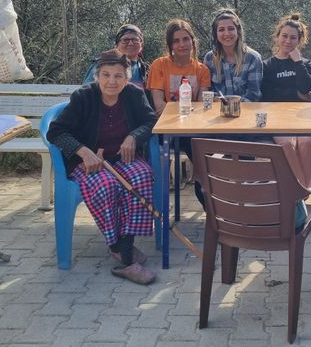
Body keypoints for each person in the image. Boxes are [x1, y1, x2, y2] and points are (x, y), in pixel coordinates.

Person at [47, 49, 159, 284]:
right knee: (106, 185)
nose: (111, 81)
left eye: (118, 76)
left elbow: (150, 121)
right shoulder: (83, 97)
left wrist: (134, 137)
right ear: (97, 77)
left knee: (142, 176)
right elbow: (55, 131)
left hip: (122, 158)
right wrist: (83, 151)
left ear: (126, 79)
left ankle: (125, 246)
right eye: (106, 75)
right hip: (91, 163)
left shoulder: (134, 95)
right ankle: (120, 250)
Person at [262, 13, 311, 186]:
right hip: (278, 119)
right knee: (286, 145)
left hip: (305, 118)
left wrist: (297, 62)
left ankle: (300, 190)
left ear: (299, 41)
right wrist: (295, 94)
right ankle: (300, 189)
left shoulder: (306, 64)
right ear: (277, 36)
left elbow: (307, 88)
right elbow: (268, 95)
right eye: (285, 36)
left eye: (293, 38)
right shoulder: (268, 65)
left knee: (307, 143)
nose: (288, 41)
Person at [146, 19, 211, 116]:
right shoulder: (158, 65)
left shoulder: (203, 70)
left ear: (192, 41)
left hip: (193, 122)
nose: (182, 45)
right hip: (166, 123)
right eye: (176, 41)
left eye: (185, 39)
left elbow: (200, 106)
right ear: (170, 45)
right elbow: (159, 106)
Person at [203, 9, 263, 102]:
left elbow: (254, 95)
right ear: (216, 34)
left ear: (238, 31)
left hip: (245, 113)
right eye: (221, 29)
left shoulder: (253, 58)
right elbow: (208, 93)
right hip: (216, 113)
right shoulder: (209, 58)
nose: (227, 33)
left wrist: (231, 106)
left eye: (231, 28)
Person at [82, 24, 149, 87]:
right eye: (125, 40)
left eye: (135, 40)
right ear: (116, 45)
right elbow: (87, 94)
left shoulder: (146, 70)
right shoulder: (102, 64)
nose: (130, 43)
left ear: (141, 45)